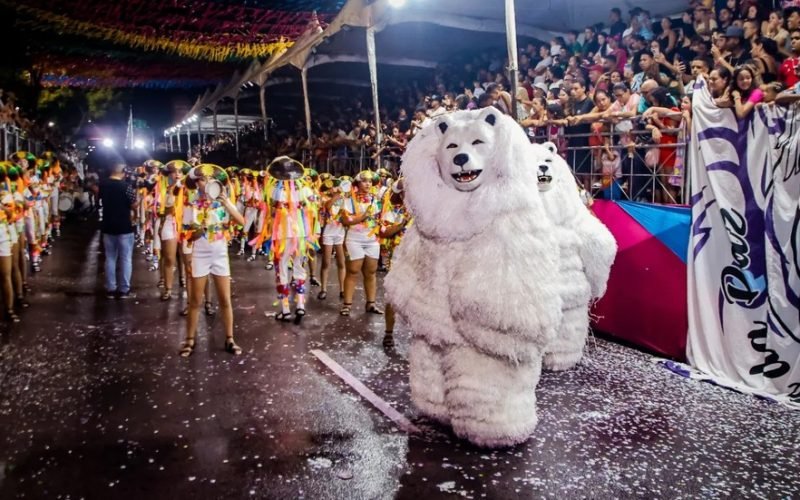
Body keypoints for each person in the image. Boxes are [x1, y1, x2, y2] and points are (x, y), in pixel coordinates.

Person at [180, 165, 245, 357]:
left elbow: (241, 221)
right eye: (201, 179)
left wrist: (226, 203)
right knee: (195, 300)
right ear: (196, 184)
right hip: (200, 254)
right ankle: (190, 340)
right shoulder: (190, 204)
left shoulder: (222, 203)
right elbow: (184, 233)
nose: (205, 182)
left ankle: (230, 338)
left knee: (225, 299)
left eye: (208, 179)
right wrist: (193, 235)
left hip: (220, 254)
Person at [340, 170, 383, 317]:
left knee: (371, 272)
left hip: (372, 240)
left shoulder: (375, 199)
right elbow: (345, 221)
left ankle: (371, 303)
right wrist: (363, 217)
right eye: (364, 181)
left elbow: (378, 219)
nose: (368, 184)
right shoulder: (349, 199)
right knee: (353, 271)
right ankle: (347, 304)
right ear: (358, 183)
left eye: (370, 181)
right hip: (354, 238)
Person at [99, 162, 137, 299]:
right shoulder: (126, 187)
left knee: (110, 258)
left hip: (108, 225)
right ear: (123, 171)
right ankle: (124, 289)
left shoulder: (103, 185)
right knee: (125, 258)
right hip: (124, 226)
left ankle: (110, 288)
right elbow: (133, 204)